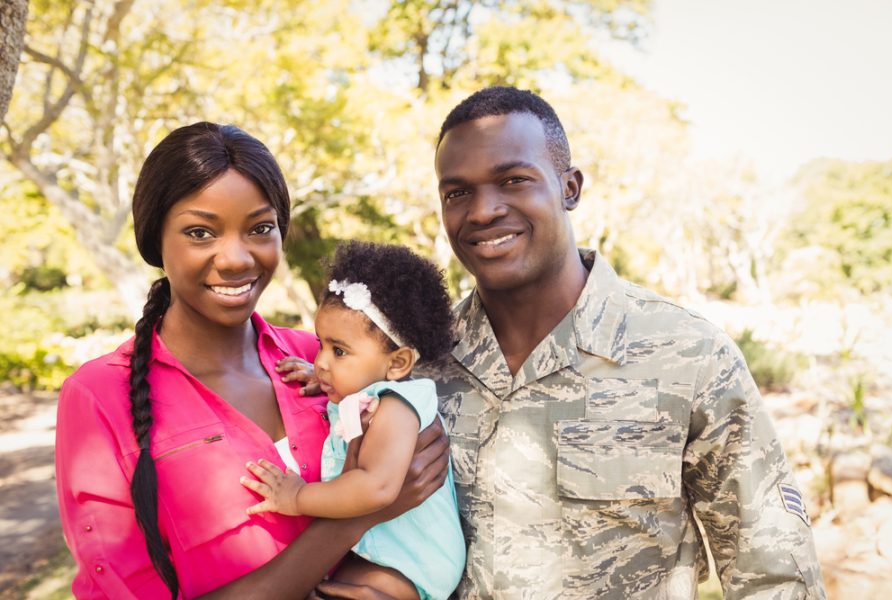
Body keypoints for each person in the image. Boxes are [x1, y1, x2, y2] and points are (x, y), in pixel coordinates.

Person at [424, 86, 827, 598]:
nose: (482, 211)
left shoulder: (690, 355)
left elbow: (773, 571)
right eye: (457, 192)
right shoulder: (419, 364)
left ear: (569, 187)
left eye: (513, 180)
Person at [54, 122, 449, 600]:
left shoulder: (322, 359)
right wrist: (360, 513)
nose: (237, 258)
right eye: (200, 232)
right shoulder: (99, 397)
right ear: (155, 239)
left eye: (260, 228)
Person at [240, 240, 466, 600]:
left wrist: (298, 497)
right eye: (320, 345)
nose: (321, 361)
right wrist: (332, 381)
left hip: (410, 564)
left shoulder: (398, 405)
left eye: (339, 351)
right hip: (386, 555)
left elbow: (376, 486)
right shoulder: (367, 395)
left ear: (397, 363)